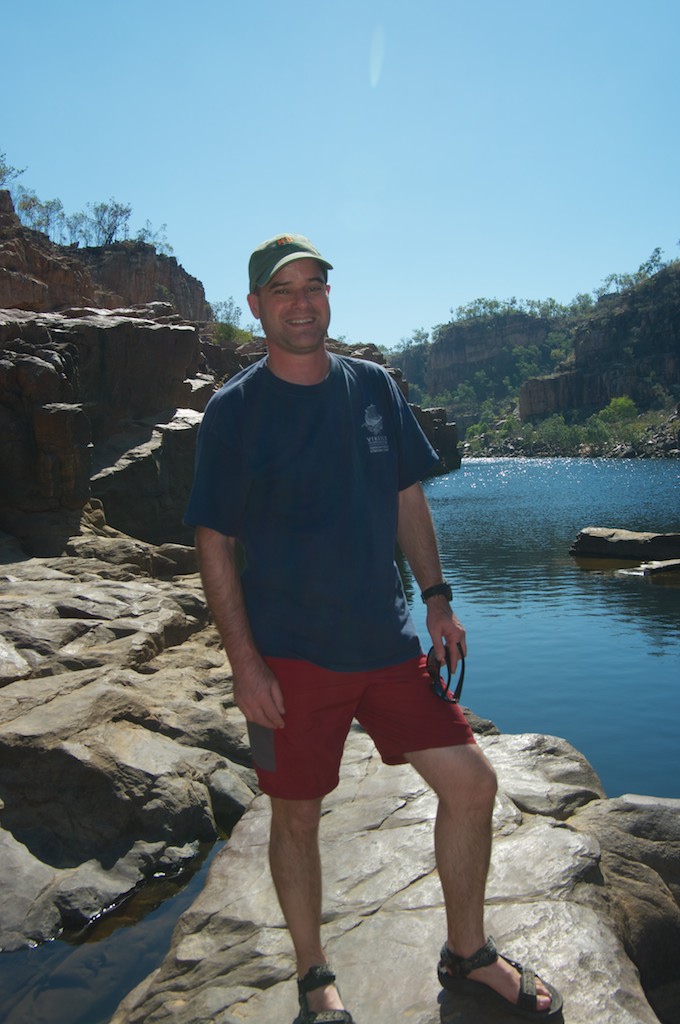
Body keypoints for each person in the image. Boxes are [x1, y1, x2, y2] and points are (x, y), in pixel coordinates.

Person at [185, 234, 563, 1023]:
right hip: (290, 655)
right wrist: (245, 665)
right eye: (283, 290)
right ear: (255, 307)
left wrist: (437, 600)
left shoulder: (373, 388)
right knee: (297, 815)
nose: (302, 302)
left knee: (473, 784)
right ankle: (314, 976)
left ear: (329, 296)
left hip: (387, 645)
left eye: (314, 286)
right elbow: (214, 539)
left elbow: (405, 497)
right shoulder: (236, 410)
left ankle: (468, 955)